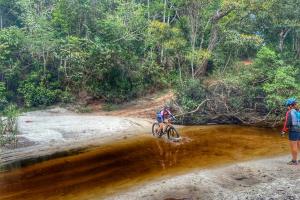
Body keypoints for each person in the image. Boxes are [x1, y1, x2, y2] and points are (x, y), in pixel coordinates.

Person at [282, 98, 300, 165]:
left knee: (294, 146)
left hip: (293, 130)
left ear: (290, 105)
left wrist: (283, 131)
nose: (287, 107)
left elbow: (287, 123)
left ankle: (294, 161)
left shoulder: (289, 112)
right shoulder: (298, 111)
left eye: (287, 105)